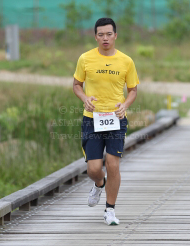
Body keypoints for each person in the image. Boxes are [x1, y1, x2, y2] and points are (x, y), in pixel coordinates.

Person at [73, 17, 139, 225]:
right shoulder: (85, 59)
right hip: (92, 119)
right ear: (95, 37)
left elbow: (133, 90)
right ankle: (99, 184)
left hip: (116, 119)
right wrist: (85, 98)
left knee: (113, 165)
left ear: (115, 35)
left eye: (109, 34)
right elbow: (76, 84)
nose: (105, 38)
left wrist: (125, 105)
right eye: (100, 34)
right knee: (93, 169)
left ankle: (109, 210)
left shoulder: (126, 61)